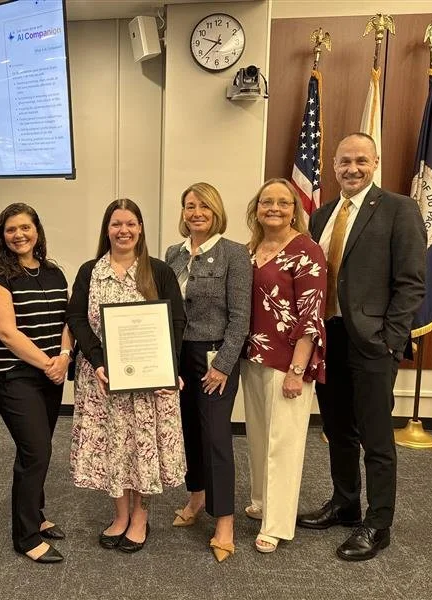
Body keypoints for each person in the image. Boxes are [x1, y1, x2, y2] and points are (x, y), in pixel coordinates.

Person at [297, 133, 426, 561]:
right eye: (344, 162)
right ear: (333, 167)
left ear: (375, 162)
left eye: (361, 161)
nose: (352, 169)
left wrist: (390, 341)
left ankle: (379, 523)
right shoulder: (323, 215)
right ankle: (346, 503)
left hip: (372, 344)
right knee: (337, 429)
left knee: (376, 437)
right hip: (328, 339)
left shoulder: (399, 209)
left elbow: (410, 283)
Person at [68, 198, 186, 554]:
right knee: (114, 449)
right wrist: (99, 361)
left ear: (140, 228)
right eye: (117, 224)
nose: (124, 230)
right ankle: (120, 515)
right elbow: (76, 318)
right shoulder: (91, 271)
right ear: (107, 229)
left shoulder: (159, 271)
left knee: (142, 450)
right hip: (102, 380)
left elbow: (176, 322)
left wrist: (170, 366)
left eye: (131, 223)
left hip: (149, 382)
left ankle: (140, 517)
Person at [0, 203, 72, 563]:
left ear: (38, 231)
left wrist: (64, 357)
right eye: (10, 229)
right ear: (2, 236)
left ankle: (36, 513)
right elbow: (5, 331)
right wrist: (48, 363)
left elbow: (68, 320)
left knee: (37, 448)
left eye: (25, 228)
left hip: (52, 373)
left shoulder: (54, 273)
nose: (19, 235)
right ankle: (26, 536)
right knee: (36, 451)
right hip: (15, 377)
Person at [164, 183, 251, 562]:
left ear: (216, 211)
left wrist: (223, 365)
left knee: (216, 436)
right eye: (189, 206)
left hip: (215, 355)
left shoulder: (234, 253)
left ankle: (225, 520)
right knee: (187, 431)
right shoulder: (173, 254)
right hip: (178, 355)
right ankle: (196, 495)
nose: (196, 212)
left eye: (203, 206)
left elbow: (241, 317)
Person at [240, 178, 327, 553]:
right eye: (266, 202)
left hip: (287, 362)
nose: (273, 208)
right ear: (256, 209)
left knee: (284, 443)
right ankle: (261, 502)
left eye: (282, 202)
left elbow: (311, 316)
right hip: (252, 355)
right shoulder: (250, 248)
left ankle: (277, 523)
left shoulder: (307, 251)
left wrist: (296, 370)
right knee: (258, 436)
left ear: (296, 209)